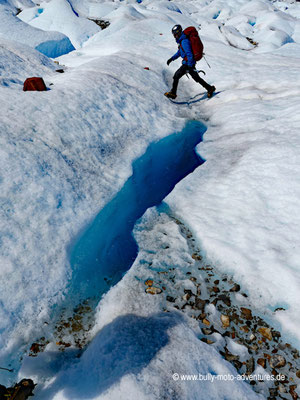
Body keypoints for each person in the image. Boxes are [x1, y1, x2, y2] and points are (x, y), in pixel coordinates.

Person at [164, 24, 216, 100]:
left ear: (179, 33)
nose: (174, 36)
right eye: (174, 35)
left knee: (176, 76)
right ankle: (210, 88)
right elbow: (180, 52)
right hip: (189, 63)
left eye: (175, 34)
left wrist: (190, 65)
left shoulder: (184, 41)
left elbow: (189, 54)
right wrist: (172, 59)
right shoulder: (182, 41)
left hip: (187, 63)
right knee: (196, 78)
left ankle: (173, 93)